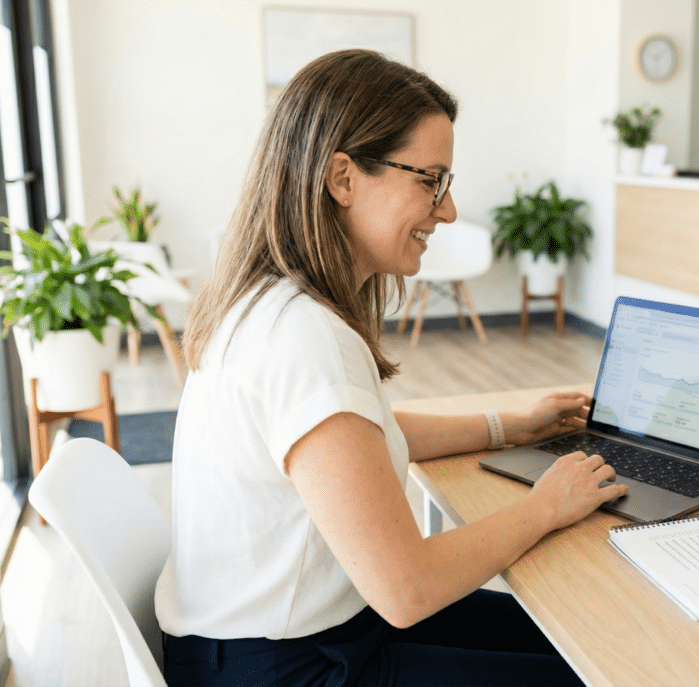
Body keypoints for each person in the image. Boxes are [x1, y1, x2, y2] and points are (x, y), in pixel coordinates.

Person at [155, 49, 627, 686]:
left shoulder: (271, 304)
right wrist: (546, 507)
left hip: (285, 638)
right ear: (342, 178)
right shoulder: (300, 336)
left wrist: (510, 427)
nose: (448, 209)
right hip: (286, 668)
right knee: (593, 668)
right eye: (430, 180)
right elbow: (407, 590)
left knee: (586, 640)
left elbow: (357, 439)